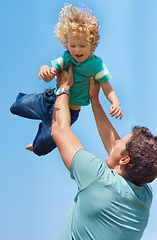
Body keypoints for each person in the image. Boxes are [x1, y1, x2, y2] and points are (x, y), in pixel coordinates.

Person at [51, 65, 157, 240]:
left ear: (125, 160)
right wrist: (95, 100)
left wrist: (64, 87)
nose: (116, 140)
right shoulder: (144, 195)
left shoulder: (98, 180)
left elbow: (59, 129)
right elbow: (116, 151)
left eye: (120, 141)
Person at [10, 4, 123, 156]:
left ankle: (37, 142)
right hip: (51, 99)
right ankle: (39, 122)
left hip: (69, 111)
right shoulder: (67, 57)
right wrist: (45, 71)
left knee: (42, 146)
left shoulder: (96, 65)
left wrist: (115, 103)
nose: (76, 50)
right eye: (72, 45)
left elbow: (107, 87)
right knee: (17, 106)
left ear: (93, 45)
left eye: (82, 45)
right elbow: (52, 72)